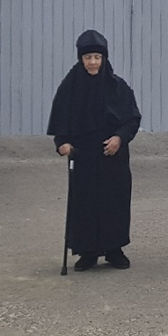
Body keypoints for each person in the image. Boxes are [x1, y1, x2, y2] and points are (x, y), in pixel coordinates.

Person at [47, 30, 141, 272]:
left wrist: (119, 138)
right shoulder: (70, 87)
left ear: (104, 58)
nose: (92, 62)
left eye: (97, 57)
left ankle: (114, 249)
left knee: (114, 201)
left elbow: (132, 119)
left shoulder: (118, 87)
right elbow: (60, 122)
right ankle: (87, 252)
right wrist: (62, 143)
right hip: (83, 155)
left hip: (113, 155)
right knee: (85, 203)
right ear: (80, 58)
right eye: (88, 57)